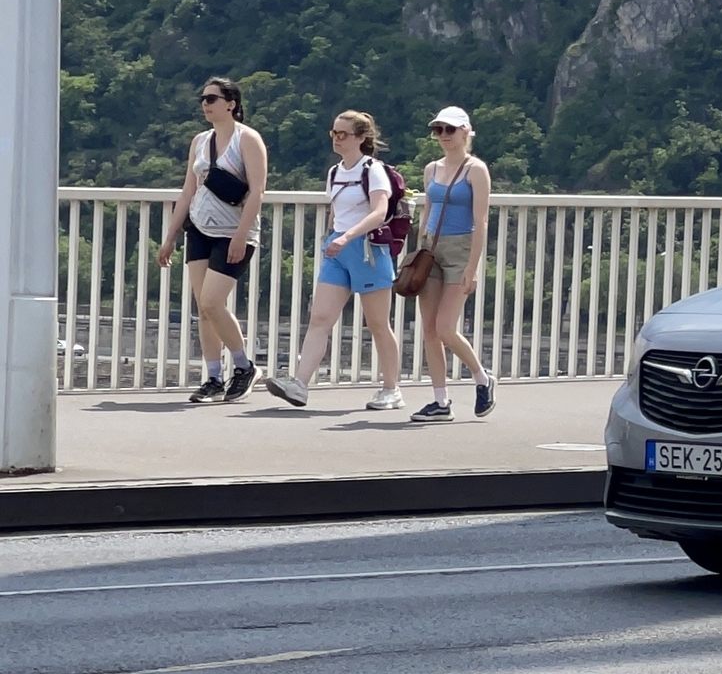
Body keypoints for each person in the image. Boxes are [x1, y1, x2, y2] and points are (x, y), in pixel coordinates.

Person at [265, 112, 404, 411]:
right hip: (338, 249)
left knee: (378, 323)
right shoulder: (334, 172)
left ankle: (392, 388)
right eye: (334, 133)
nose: (337, 139)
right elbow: (336, 210)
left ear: (361, 138)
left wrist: (347, 236)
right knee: (320, 317)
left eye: (344, 134)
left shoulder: (373, 170)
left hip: (367, 249)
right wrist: (333, 237)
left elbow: (379, 211)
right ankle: (300, 384)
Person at [156, 77, 268, 403]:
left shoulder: (248, 140)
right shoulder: (200, 141)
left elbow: (257, 191)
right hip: (200, 229)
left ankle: (244, 366)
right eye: (203, 99)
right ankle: (214, 376)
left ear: (231, 103)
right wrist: (170, 237)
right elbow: (188, 190)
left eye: (212, 98)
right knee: (203, 310)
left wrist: (241, 235)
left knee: (211, 302)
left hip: (233, 232)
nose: (206, 104)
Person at [411, 105, 496, 422]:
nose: (443, 136)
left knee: (446, 327)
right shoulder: (432, 169)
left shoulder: (476, 170)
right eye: (438, 130)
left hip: (460, 248)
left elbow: (481, 220)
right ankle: (440, 400)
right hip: (431, 248)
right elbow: (427, 210)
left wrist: (472, 269)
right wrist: (419, 251)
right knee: (430, 329)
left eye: (449, 129)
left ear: (465, 132)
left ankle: (482, 377)